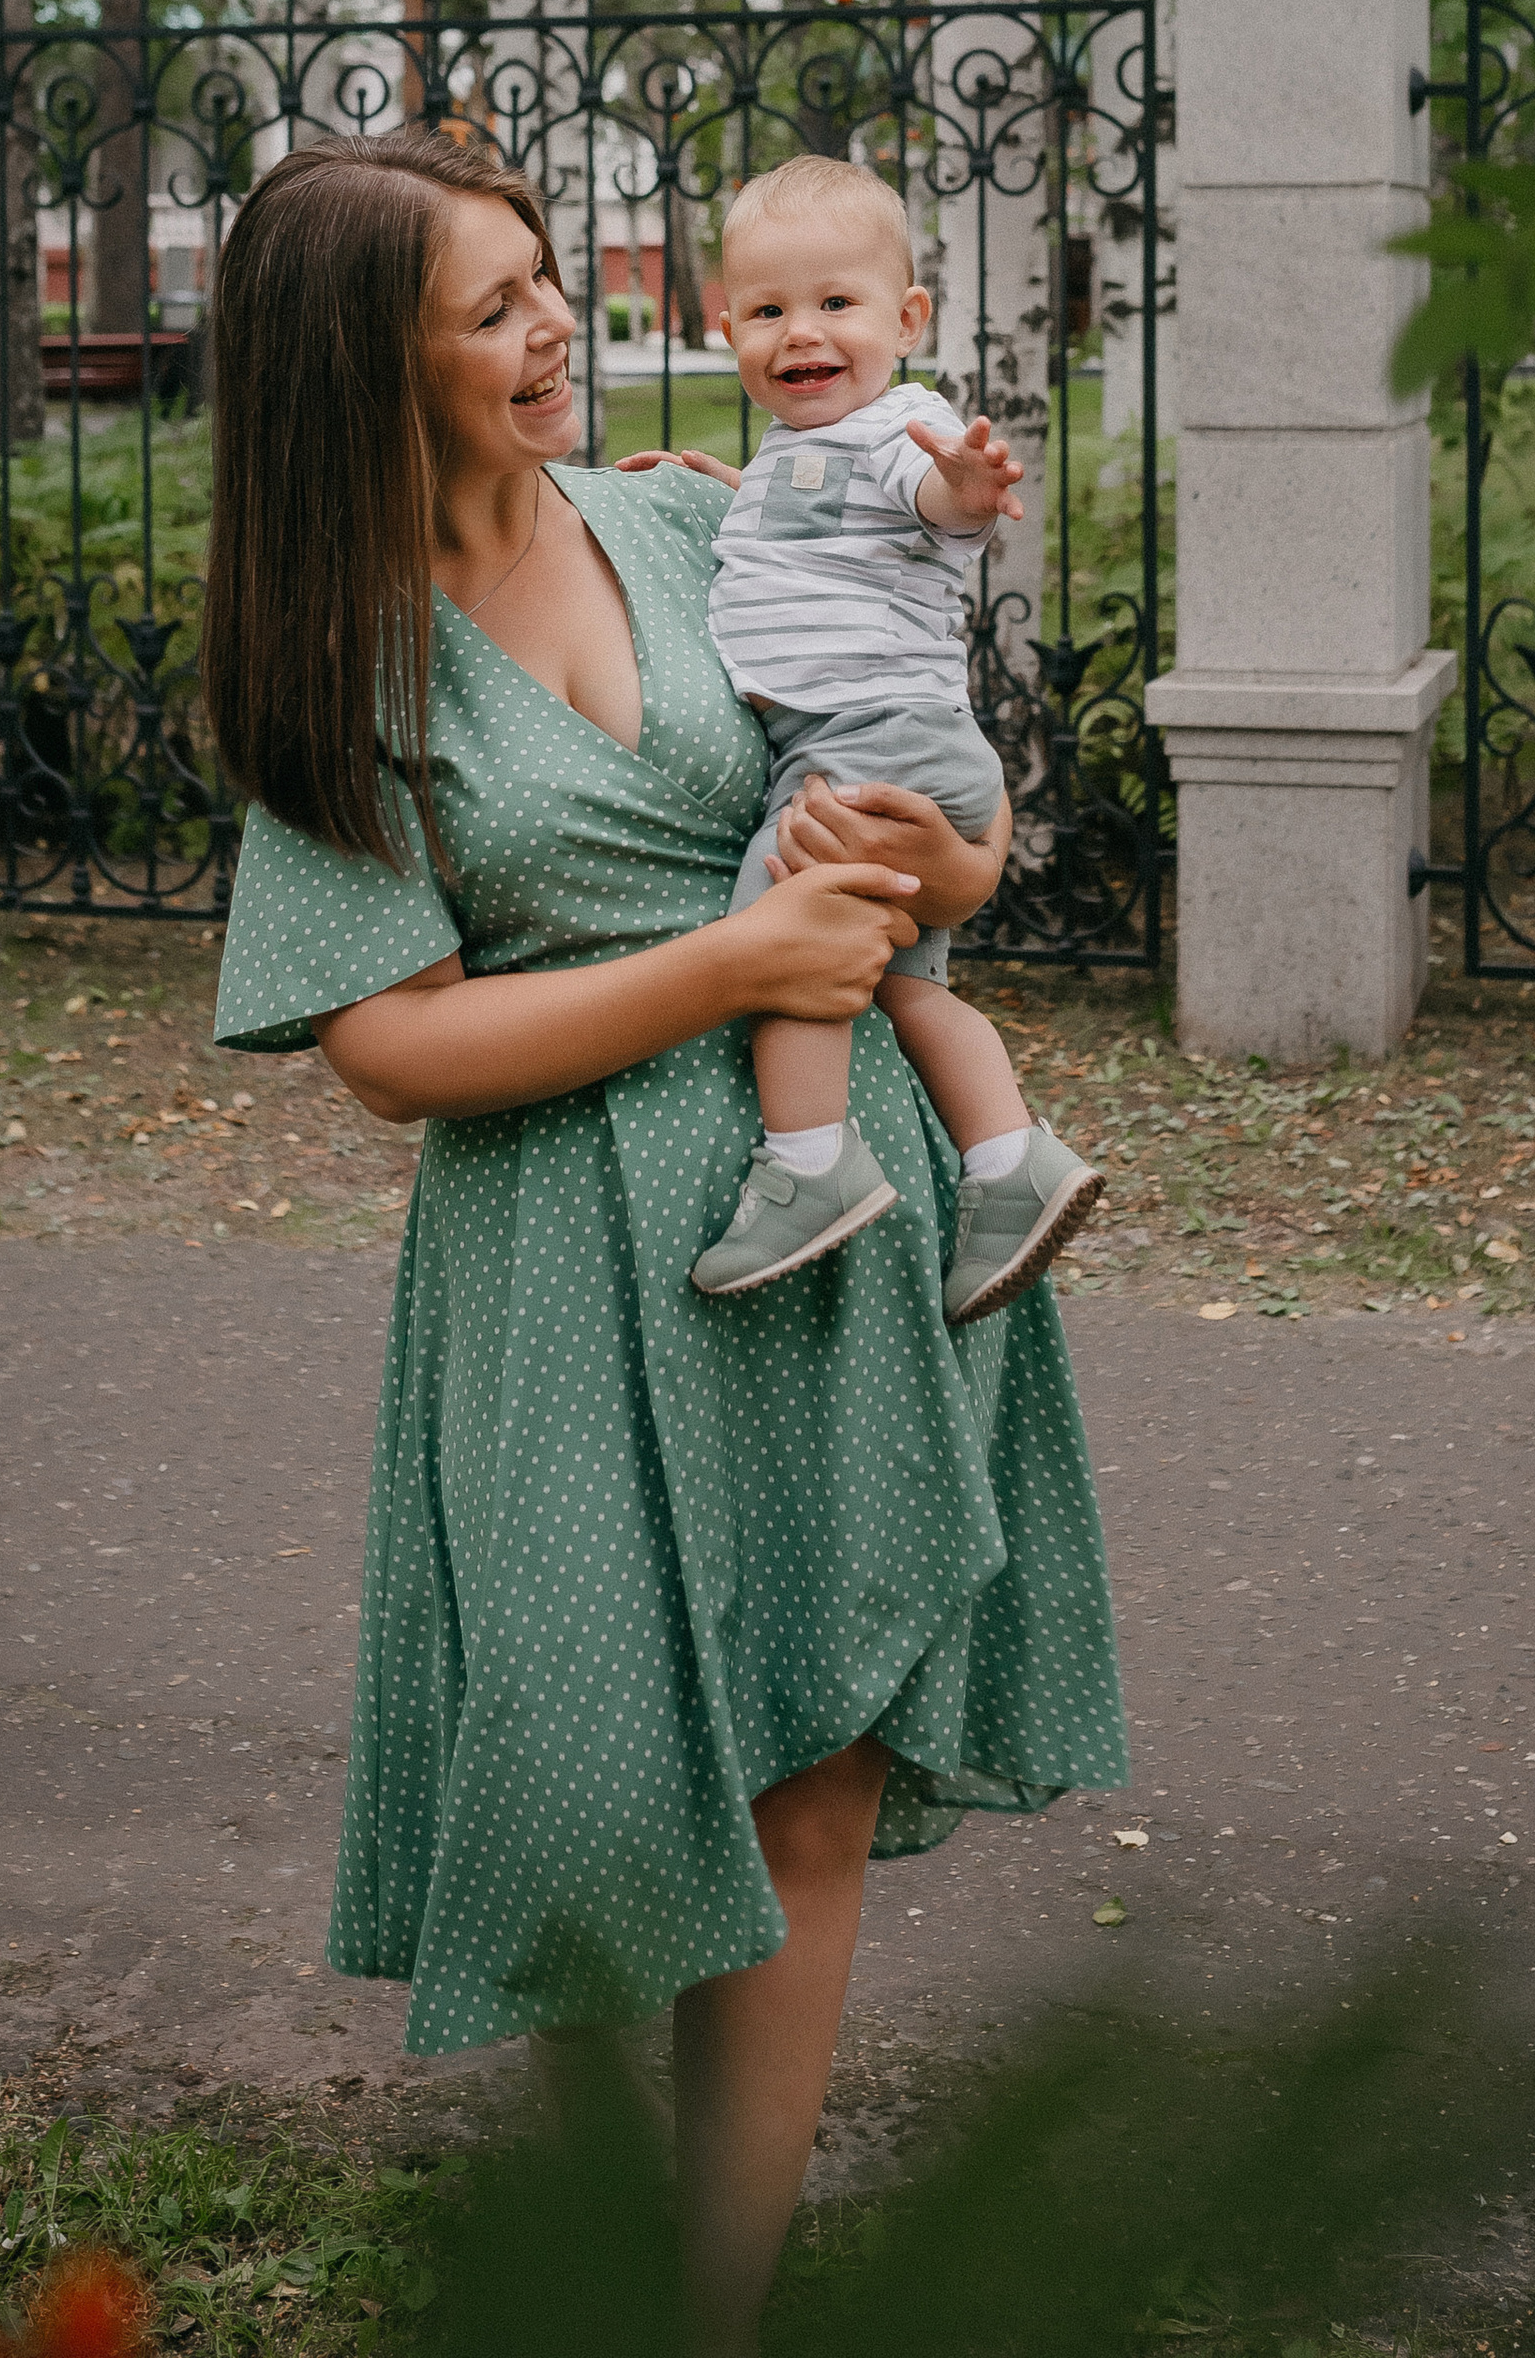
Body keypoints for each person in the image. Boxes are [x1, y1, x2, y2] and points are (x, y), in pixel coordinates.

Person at [198, 126, 1125, 2358]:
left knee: (814, 1773)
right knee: (613, 1776)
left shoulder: (699, 520)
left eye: (548, 284)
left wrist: (934, 864)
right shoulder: (338, 668)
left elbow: (928, 866)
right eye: (495, 308)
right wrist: (724, 974)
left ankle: (710, 2310)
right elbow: (390, 1048)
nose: (555, 332)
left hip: (836, 1210)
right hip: (573, 1250)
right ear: (359, 370)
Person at [639, 152, 1102, 1318]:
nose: (803, 331)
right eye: (768, 310)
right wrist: (723, 486)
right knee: (903, 987)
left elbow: (923, 500)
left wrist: (970, 486)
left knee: (778, 941)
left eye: (835, 303)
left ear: (907, 319)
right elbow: (815, 527)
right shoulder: (807, 454)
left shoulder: (906, 428)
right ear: (726, 327)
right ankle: (1008, 1165)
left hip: (865, 743)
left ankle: (809, 1167)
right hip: (893, 745)